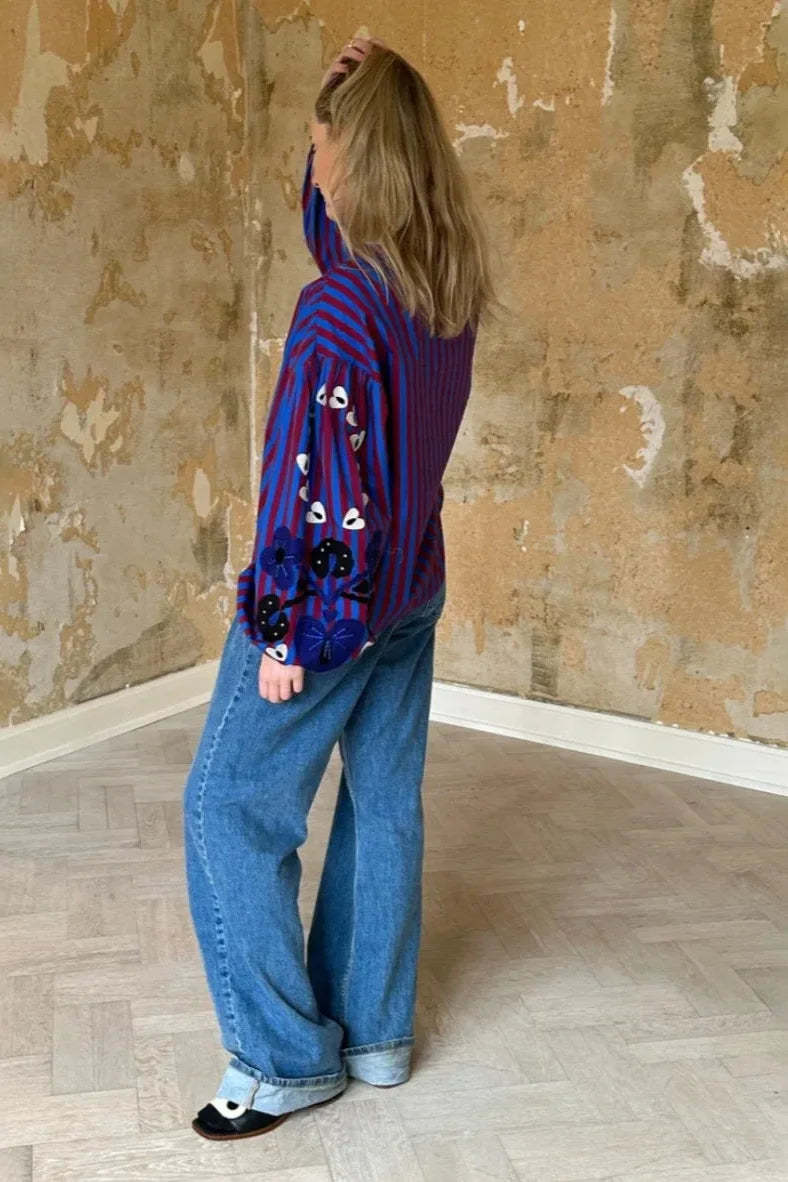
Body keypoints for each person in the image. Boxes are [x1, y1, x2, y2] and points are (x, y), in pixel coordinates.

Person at [183, 34, 499, 1141]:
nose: (310, 158)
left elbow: (315, 488)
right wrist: (350, 89)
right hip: (409, 590)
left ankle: (282, 1061)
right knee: (379, 800)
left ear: (350, 157)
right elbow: (338, 238)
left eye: (319, 139)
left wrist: (284, 635)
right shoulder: (439, 288)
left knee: (227, 807)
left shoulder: (335, 315)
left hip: (332, 606)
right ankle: (374, 1035)